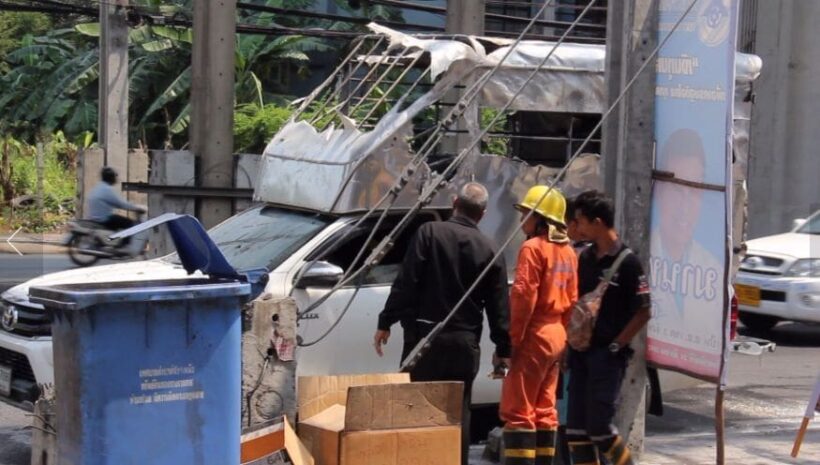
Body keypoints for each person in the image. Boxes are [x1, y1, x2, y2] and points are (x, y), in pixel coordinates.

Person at [373, 182, 511, 465]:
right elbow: (500, 308)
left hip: (424, 339)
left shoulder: (429, 233)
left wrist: (386, 321)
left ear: (454, 202)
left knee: (415, 410)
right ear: (482, 214)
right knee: (457, 416)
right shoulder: (490, 249)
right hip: (463, 344)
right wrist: (503, 348)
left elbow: (406, 282)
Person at [565, 190, 651, 465]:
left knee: (600, 429)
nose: (576, 226)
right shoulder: (586, 259)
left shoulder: (628, 263)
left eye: (580, 220)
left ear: (598, 222)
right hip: (580, 354)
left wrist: (616, 345)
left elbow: (644, 310)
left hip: (607, 357)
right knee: (577, 431)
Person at [499, 186, 578, 465]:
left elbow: (523, 296)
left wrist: (512, 340)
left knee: (518, 410)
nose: (523, 220)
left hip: (534, 334)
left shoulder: (532, 249)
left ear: (540, 218)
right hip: (557, 334)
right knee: (545, 410)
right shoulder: (568, 253)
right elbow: (572, 301)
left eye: (527, 214)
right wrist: (564, 339)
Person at [86, 167, 146, 231]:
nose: (116, 178)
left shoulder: (97, 187)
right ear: (111, 178)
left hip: (94, 220)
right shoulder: (106, 189)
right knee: (130, 225)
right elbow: (121, 204)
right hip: (104, 220)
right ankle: (125, 241)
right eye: (115, 176)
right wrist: (137, 208)